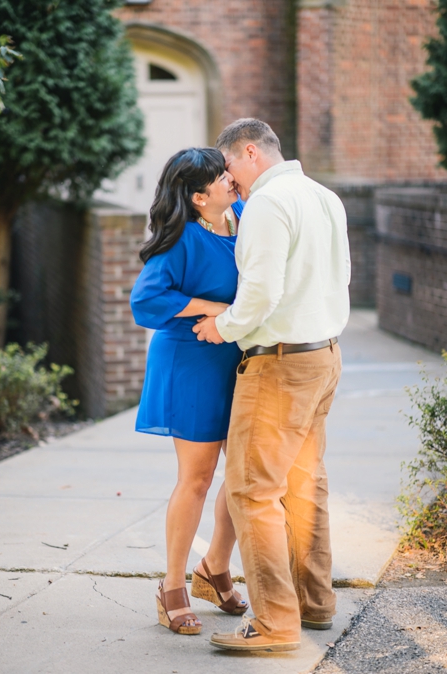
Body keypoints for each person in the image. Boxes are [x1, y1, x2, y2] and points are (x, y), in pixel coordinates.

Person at [193, 118, 349, 652]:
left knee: (252, 491)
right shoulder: (325, 197)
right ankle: (314, 604)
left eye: (229, 165)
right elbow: (341, 276)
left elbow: (260, 293)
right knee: (305, 485)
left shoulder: (266, 204)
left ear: (250, 151)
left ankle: (274, 624)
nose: (228, 179)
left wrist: (222, 326)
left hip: (278, 364)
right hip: (324, 356)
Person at [130, 147, 248, 635]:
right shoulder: (181, 239)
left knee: (244, 475)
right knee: (197, 478)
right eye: (221, 177)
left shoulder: (244, 215)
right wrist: (212, 307)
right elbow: (147, 298)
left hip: (238, 358)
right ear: (199, 197)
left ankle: (215, 566)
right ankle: (172, 585)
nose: (231, 180)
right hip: (192, 358)